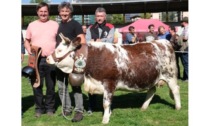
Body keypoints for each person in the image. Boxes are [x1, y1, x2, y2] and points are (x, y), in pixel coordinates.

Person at [24, 2, 59, 117]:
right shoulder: (31, 25)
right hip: (36, 60)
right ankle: (39, 109)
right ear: (37, 12)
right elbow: (27, 41)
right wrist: (29, 50)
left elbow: (60, 41)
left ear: (48, 12)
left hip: (50, 60)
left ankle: (50, 108)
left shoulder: (55, 24)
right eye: (41, 11)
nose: (43, 13)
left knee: (50, 86)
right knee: (36, 85)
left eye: (45, 11)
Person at [56, 1, 85, 122]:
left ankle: (79, 111)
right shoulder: (59, 26)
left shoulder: (76, 24)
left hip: (73, 60)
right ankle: (67, 108)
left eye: (66, 11)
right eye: (62, 11)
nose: (64, 13)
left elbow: (82, 42)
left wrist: (73, 50)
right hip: (61, 60)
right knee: (62, 86)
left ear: (70, 12)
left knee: (76, 85)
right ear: (59, 12)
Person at [85, 7, 115, 114]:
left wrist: (98, 41)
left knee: (107, 84)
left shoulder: (110, 27)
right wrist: (99, 41)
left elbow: (110, 40)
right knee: (92, 83)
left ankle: (107, 106)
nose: (99, 18)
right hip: (93, 60)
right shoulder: (90, 28)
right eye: (97, 16)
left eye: (101, 16)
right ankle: (91, 106)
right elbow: (87, 41)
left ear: (105, 16)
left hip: (107, 59)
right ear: (95, 17)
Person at [180, 16, 189, 81]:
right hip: (186, 47)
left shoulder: (187, 28)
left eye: (182, 22)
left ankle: (188, 77)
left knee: (186, 63)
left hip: (186, 47)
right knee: (185, 63)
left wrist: (180, 38)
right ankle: (185, 77)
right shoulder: (186, 28)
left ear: (184, 22)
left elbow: (185, 38)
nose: (181, 23)